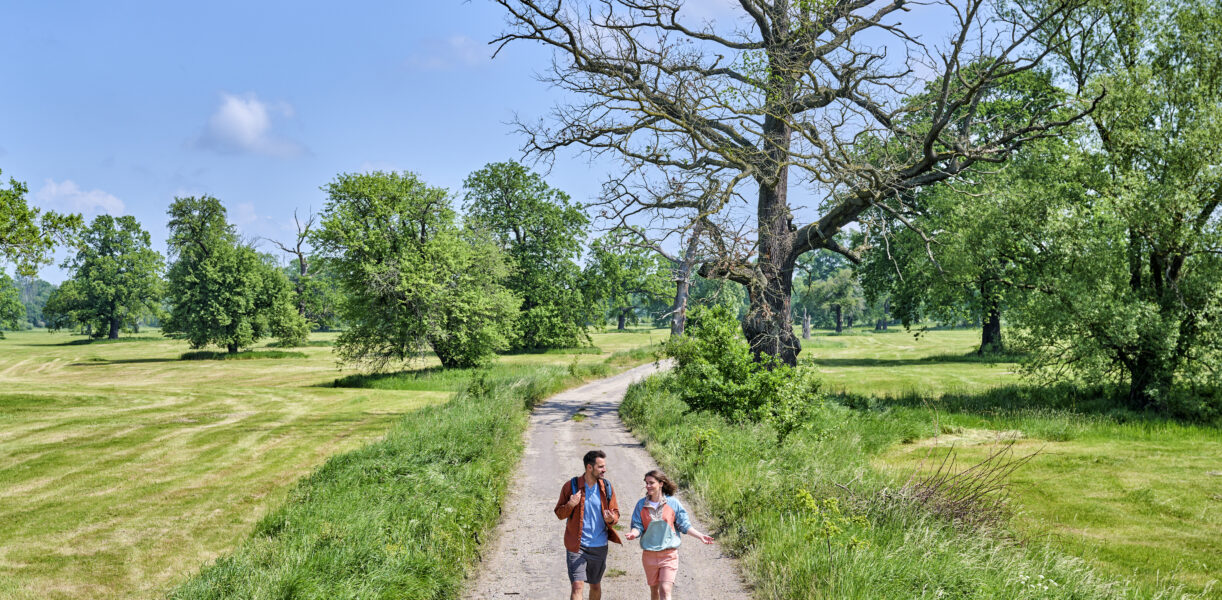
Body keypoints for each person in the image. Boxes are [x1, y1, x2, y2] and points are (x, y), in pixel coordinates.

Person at [624, 469, 714, 600]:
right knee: (654, 591)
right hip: (649, 555)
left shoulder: (673, 503)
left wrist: (700, 536)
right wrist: (633, 533)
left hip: (669, 555)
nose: (648, 486)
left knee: (665, 591)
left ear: (661, 483)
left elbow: (684, 525)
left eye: (651, 483)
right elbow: (638, 526)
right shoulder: (641, 504)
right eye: (646, 483)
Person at [555, 449, 621, 600]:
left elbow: (616, 514)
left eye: (604, 466)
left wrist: (611, 519)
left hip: (599, 545)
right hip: (577, 545)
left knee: (595, 585)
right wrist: (571, 505)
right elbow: (559, 514)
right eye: (601, 467)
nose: (605, 470)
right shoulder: (571, 486)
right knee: (577, 585)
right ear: (589, 467)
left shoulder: (606, 487)